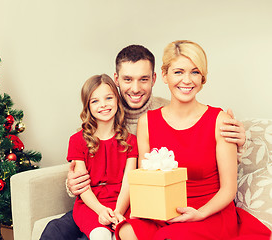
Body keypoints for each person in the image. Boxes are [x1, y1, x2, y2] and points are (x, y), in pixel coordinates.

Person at [40, 45, 247, 240]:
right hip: (99, 203)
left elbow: (199, 147)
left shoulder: (168, 110)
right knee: (55, 231)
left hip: (130, 201)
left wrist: (240, 141)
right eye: (128, 79)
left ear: (156, 78)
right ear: (117, 79)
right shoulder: (103, 110)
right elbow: (84, 160)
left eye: (144, 79)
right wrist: (72, 184)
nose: (136, 88)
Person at [115, 40, 271, 240]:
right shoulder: (147, 122)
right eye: (178, 72)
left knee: (169, 237)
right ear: (164, 75)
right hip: (163, 212)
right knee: (127, 231)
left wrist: (200, 213)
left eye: (195, 72)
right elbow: (147, 180)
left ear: (202, 77)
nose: (187, 80)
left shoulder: (219, 120)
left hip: (209, 212)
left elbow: (228, 189)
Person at [66, 74, 138, 240]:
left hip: (123, 202)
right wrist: (100, 210)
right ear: (88, 107)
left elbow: (128, 184)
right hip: (91, 205)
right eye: (95, 101)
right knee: (102, 235)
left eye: (108, 98)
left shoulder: (130, 141)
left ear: (117, 101)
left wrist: (118, 212)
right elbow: (82, 186)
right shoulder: (77, 141)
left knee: (124, 234)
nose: (103, 105)